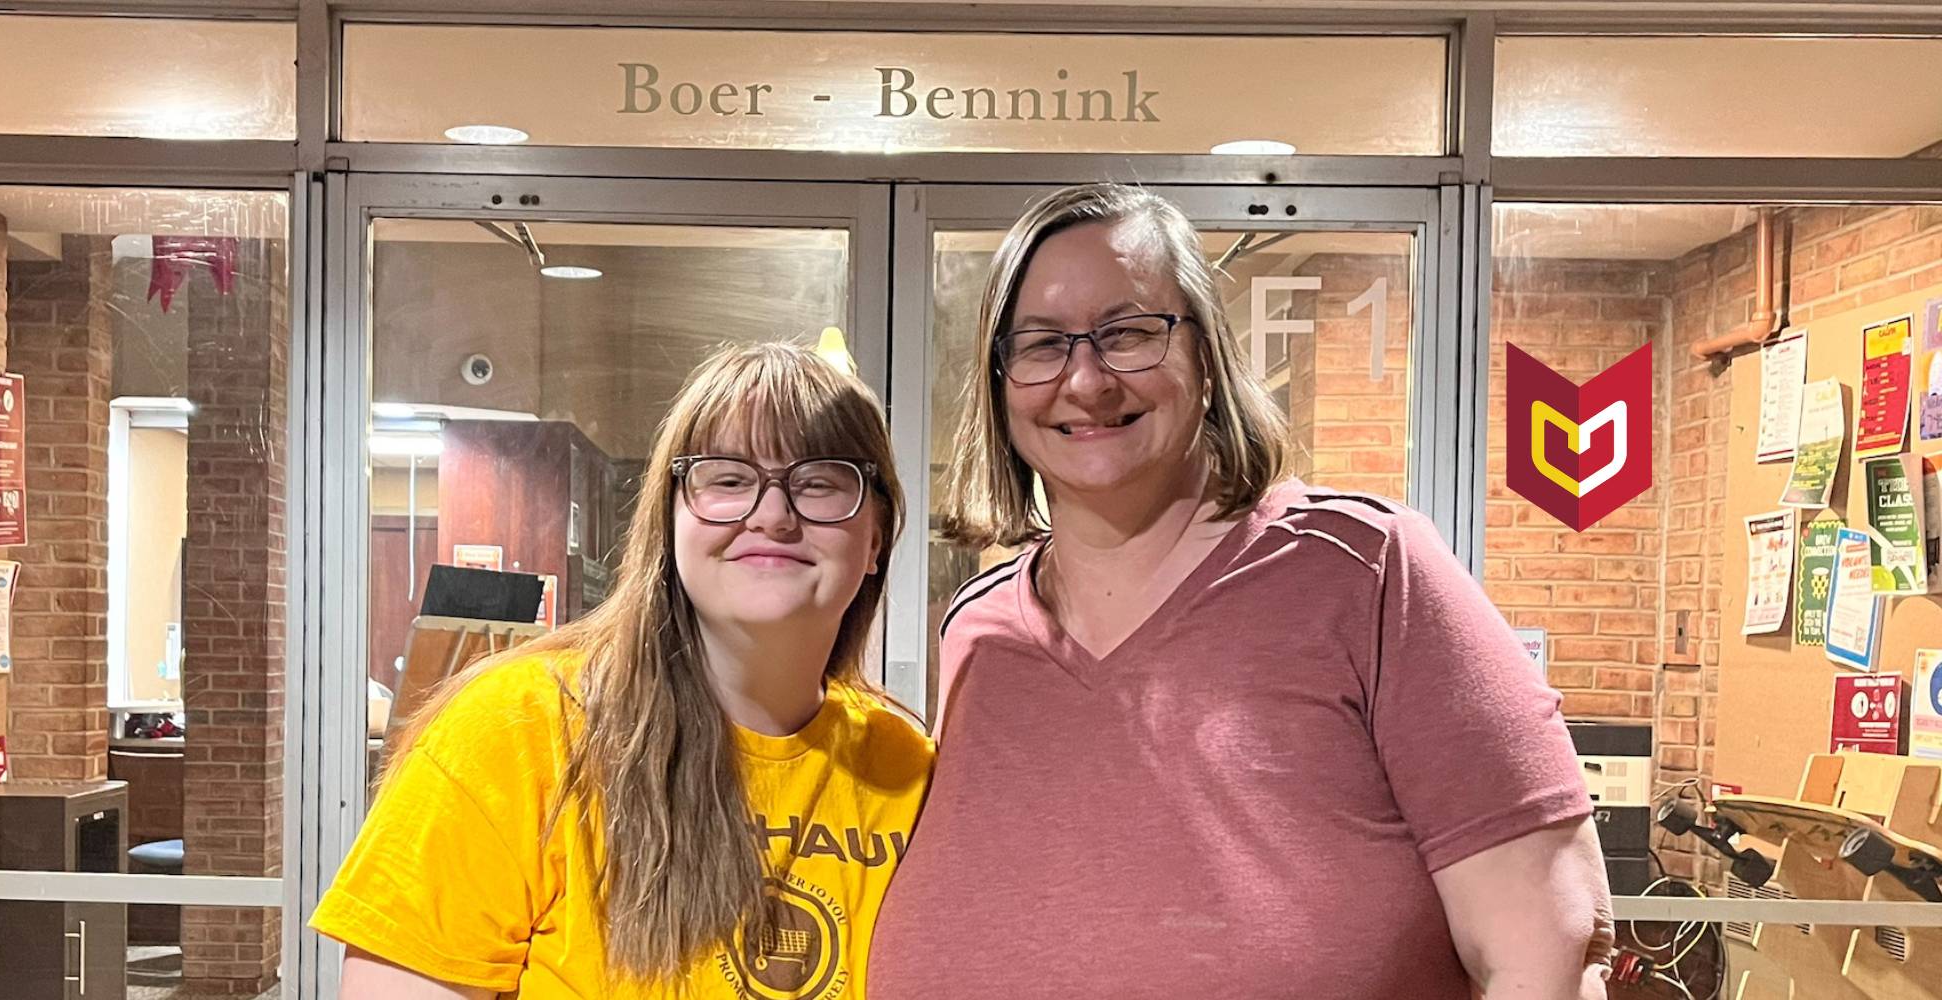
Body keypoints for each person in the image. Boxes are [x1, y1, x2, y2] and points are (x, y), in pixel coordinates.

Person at [869, 183, 1613, 999]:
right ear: (999, 381)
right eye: (1042, 344)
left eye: (1128, 333)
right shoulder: (979, 630)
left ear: (1206, 357)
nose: (1085, 380)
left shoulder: (1369, 574)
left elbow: (1547, 950)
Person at [313, 342, 932, 999]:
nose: (773, 515)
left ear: (875, 540)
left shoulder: (909, 772)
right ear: (670, 521)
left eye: (820, 483)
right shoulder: (517, 733)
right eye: (728, 480)